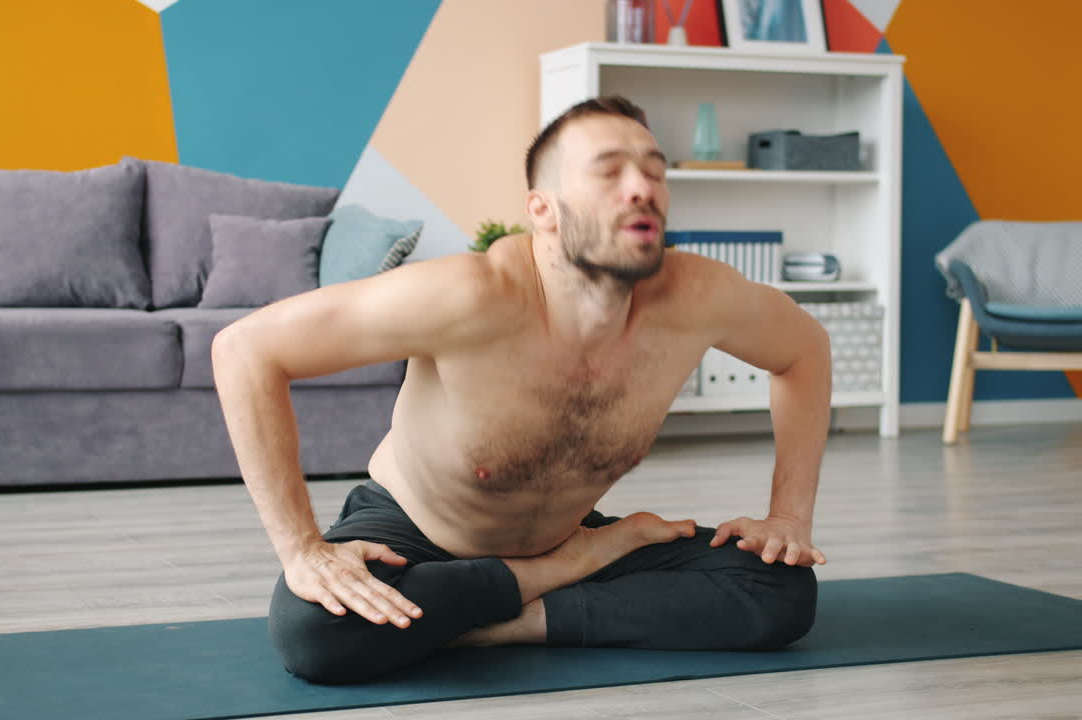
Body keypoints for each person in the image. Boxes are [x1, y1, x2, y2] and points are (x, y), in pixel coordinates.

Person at [211, 95, 830, 685]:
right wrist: (302, 550)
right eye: (609, 173)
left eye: (654, 171)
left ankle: (511, 620)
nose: (642, 188)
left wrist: (789, 516)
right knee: (313, 632)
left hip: (566, 527)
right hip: (418, 536)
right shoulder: (469, 295)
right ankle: (562, 574)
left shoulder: (698, 296)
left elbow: (804, 350)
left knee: (780, 589)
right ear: (544, 210)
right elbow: (245, 350)